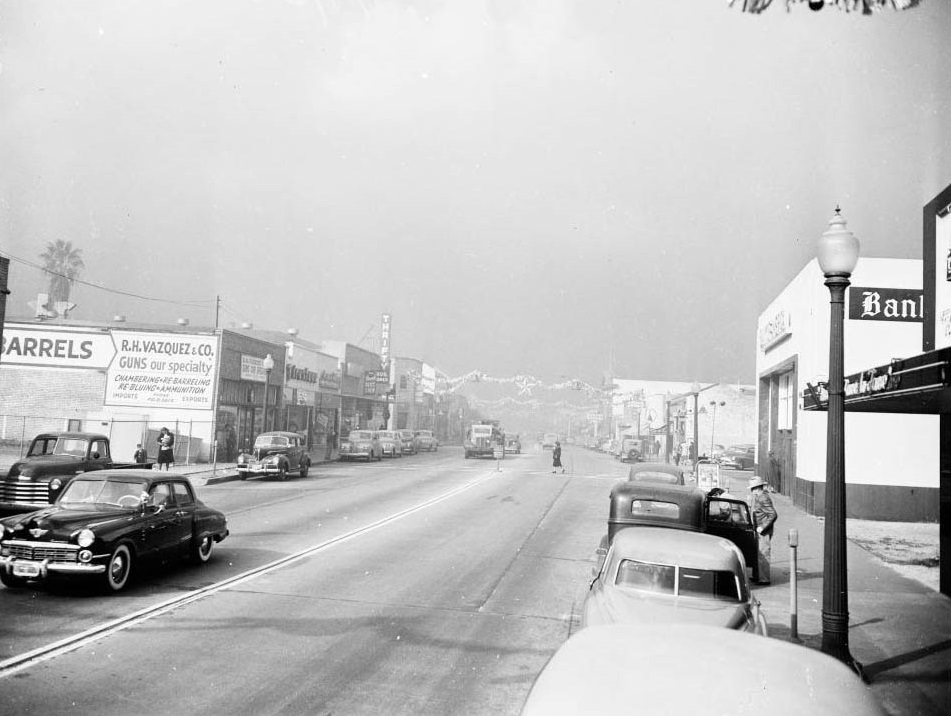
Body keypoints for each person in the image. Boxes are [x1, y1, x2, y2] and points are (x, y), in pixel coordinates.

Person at [749, 475, 777, 585]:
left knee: (763, 554)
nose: (751, 490)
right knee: (759, 553)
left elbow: (773, 514)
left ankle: (764, 579)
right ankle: (758, 576)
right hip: (760, 528)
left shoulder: (763, 498)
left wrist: (763, 527)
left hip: (763, 530)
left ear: (757, 488)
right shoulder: (759, 496)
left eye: (752, 488)